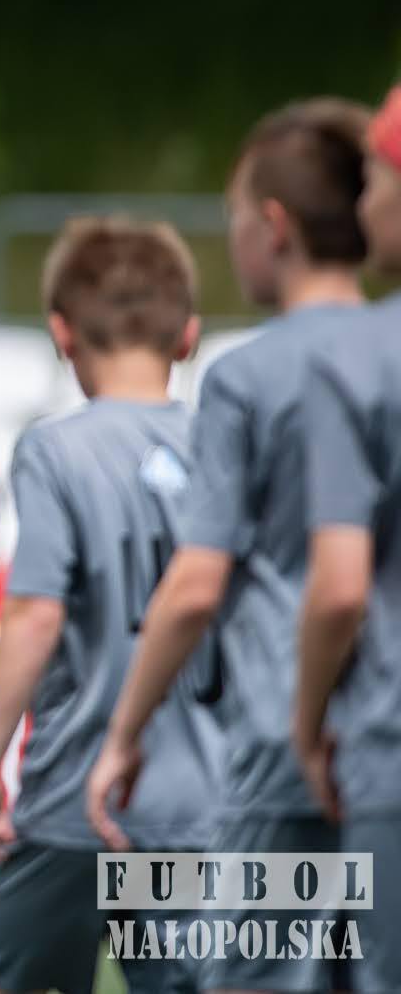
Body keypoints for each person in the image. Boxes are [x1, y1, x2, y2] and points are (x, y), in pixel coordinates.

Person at [85, 99, 369, 994]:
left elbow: (197, 583)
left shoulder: (248, 376)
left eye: (236, 216)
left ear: (274, 227)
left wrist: (124, 732)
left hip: (288, 754)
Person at [0, 217, 220, 994]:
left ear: (62, 333)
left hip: (73, 801)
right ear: (189, 335)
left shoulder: (55, 449)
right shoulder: (225, 446)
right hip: (201, 806)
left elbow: (36, 613)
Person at [294, 83, 401, 994]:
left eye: (375, 179)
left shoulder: (360, 359)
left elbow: (339, 587)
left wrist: (305, 722)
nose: (363, 205)